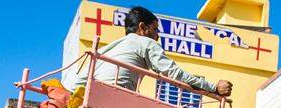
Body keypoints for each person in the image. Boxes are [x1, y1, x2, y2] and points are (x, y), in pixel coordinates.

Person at [76, 6, 233, 99]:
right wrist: (213, 87)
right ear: (143, 28)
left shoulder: (106, 48)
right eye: (155, 28)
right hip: (119, 98)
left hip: (93, 96)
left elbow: (80, 81)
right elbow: (174, 74)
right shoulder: (146, 42)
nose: (157, 35)